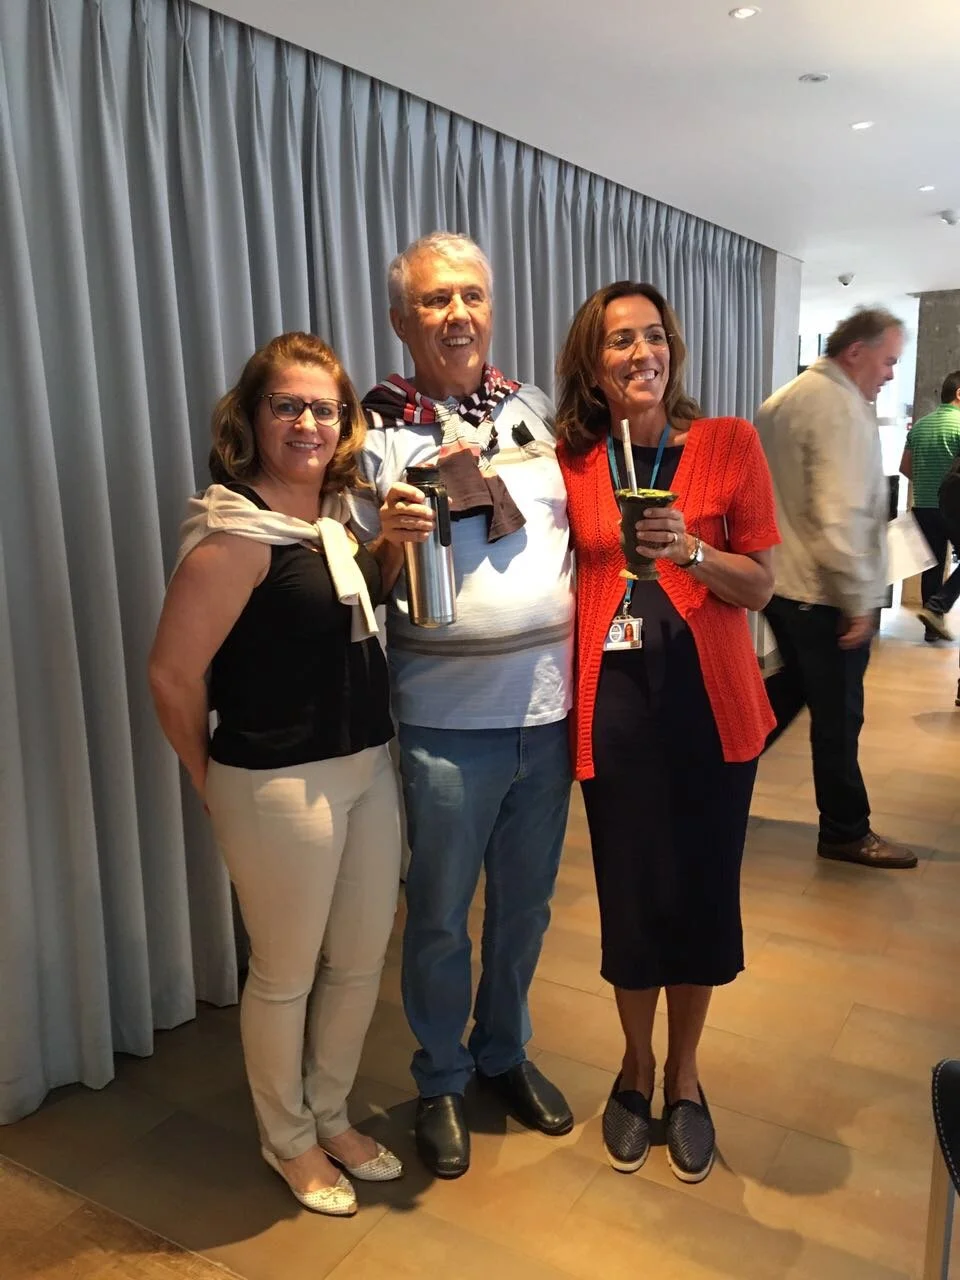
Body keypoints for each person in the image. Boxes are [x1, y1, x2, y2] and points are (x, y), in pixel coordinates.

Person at [149, 333, 405, 1218]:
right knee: (286, 974)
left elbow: (339, 620)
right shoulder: (234, 533)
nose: (306, 421)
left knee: (362, 960)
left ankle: (329, 1110)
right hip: (279, 786)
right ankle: (286, 1136)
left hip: (368, 769)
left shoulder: (330, 522)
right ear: (251, 419)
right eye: (287, 404)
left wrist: (394, 552)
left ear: (344, 425)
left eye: (324, 408)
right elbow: (172, 676)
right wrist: (207, 778)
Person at [351, 232, 575, 1179]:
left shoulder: (536, 411)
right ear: (403, 321)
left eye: (472, 297)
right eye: (436, 301)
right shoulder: (372, 432)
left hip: (547, 711)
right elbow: (351, 586)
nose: (458, 316)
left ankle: (503, 1055)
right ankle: (439, 1077)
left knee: (525, 908)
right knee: (440, 913)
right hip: (446, 719)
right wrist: (385, 544)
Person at [555, 280, 779, 1184]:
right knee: (631, 893)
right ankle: (634, 1068)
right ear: (593, 363)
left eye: (654, 336)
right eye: (620, 341)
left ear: (672, 349)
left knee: (701, 893)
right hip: (615, 710)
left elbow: (761, 585)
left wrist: (690, 549)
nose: (642, 352)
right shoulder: (573, 460)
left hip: (712, 706)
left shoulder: (728, 443)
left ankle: (685, 1076)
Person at [756, 307, 917, 870]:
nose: (891, 373)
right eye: (889, 360)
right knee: (839, 717)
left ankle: (701, 776)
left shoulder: (784, 400)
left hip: (785, 582)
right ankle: (846, 831)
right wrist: (859, 600)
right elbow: (839, 513)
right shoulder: (840, 408)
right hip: (823, 593)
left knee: (783, 698)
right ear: (856, 352)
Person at [899, 370, 960, 641]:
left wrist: (928, 483)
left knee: (932, 566)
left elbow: (905, 467)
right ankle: (937, 608)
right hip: (954, 508)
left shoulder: (920, 426)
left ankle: (930, 630)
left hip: (923, 505)